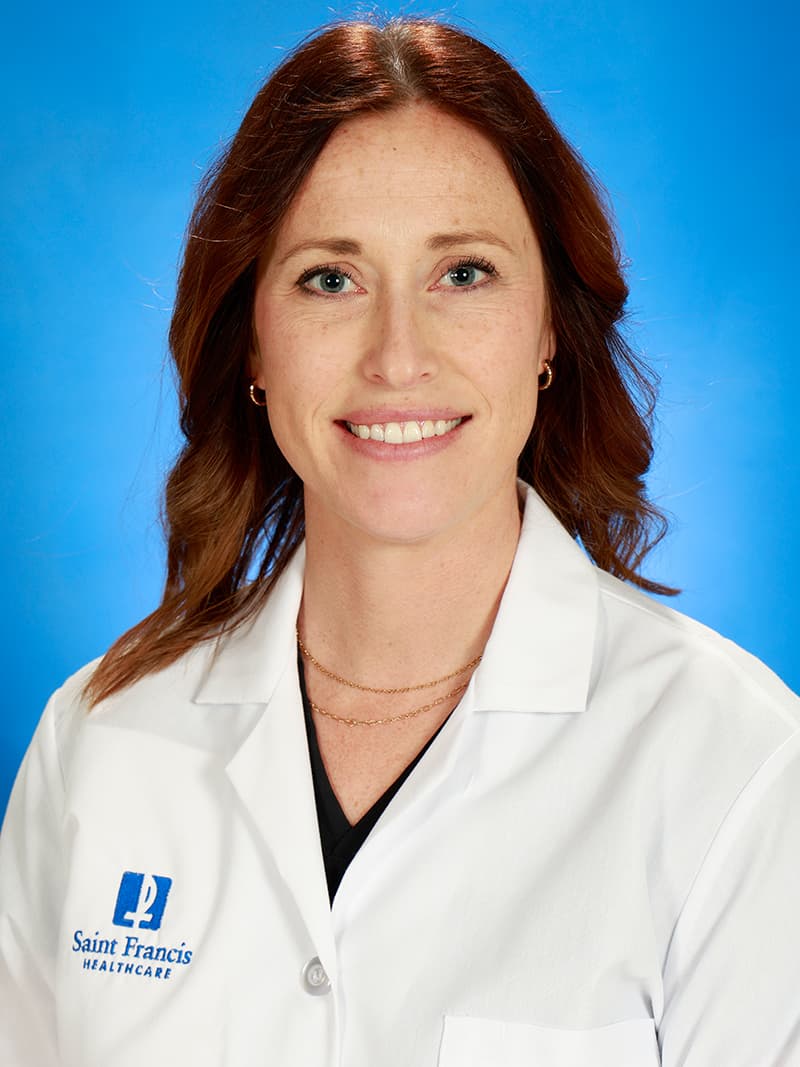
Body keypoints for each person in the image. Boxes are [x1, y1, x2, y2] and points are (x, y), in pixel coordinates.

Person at [1, 16, 798, 1067]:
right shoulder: (99, 744)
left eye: (462, 272)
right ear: (252, 342)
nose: (396, 357)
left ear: (548, 327)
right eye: (330, 278)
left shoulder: (739, 767)